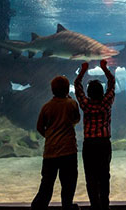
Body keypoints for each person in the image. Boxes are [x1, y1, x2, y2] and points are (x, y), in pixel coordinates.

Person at [31, 76, 81, 210]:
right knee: (68, 184)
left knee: (46, 184)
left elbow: (39, 127)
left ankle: (37, 207)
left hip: (50, 152)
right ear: (67, 89)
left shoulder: (46, 106)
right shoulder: (72, 103)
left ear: (52, 90)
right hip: (68, 151)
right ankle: (67, 206)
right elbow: (76, 119)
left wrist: (49, 137)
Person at [74, 59, 115, 210]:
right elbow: (112, 83)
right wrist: (105, 68)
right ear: (102, 92)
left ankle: (94, 206)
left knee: (90, 177)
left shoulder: (85, 105)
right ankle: (105, 205)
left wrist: (83, 70)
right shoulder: (106, 104)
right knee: (104, 175)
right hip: (104, 144)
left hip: (89, 145)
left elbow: (77, 87)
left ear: (89, 93)